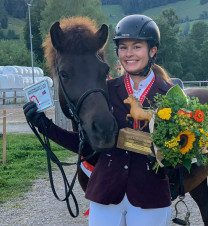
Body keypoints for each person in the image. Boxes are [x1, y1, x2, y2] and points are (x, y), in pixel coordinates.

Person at [23, 15, 174, 226]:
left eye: (137, 47)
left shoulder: (171, 96)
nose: (129, 54)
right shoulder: (105, 90)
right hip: (105, 195)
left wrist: (123, 139)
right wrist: (44, 126)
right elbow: (87, 147)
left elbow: (176, 154)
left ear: (152, 51)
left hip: (150, 198)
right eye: (123, 47)